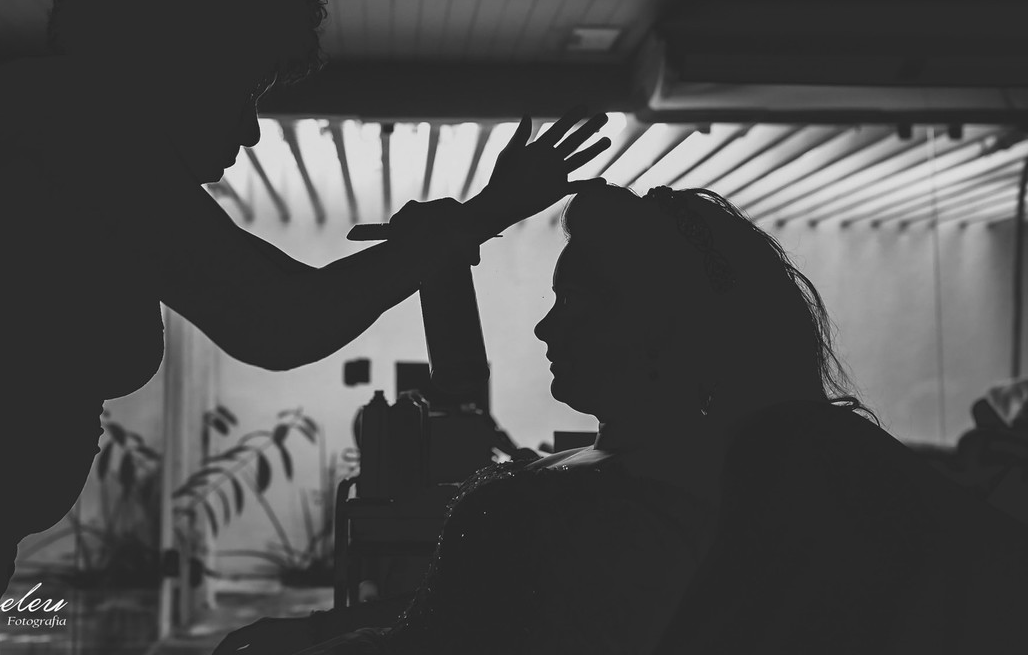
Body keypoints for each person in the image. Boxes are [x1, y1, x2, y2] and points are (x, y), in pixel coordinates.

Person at [0, 0, 611, 655]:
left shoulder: (60, 130)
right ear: (180, 52)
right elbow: (277, 319)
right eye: (245, 87)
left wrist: (456, 230)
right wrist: (478, 218)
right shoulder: (63, 125)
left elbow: (276, 294)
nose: (251, 130)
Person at [217, 181, 886, 655]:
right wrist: (321, 632)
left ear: (657, 327)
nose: (544, 327)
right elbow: (477, 614)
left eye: (574, 303)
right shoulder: (649, 470)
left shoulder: (650, 507)